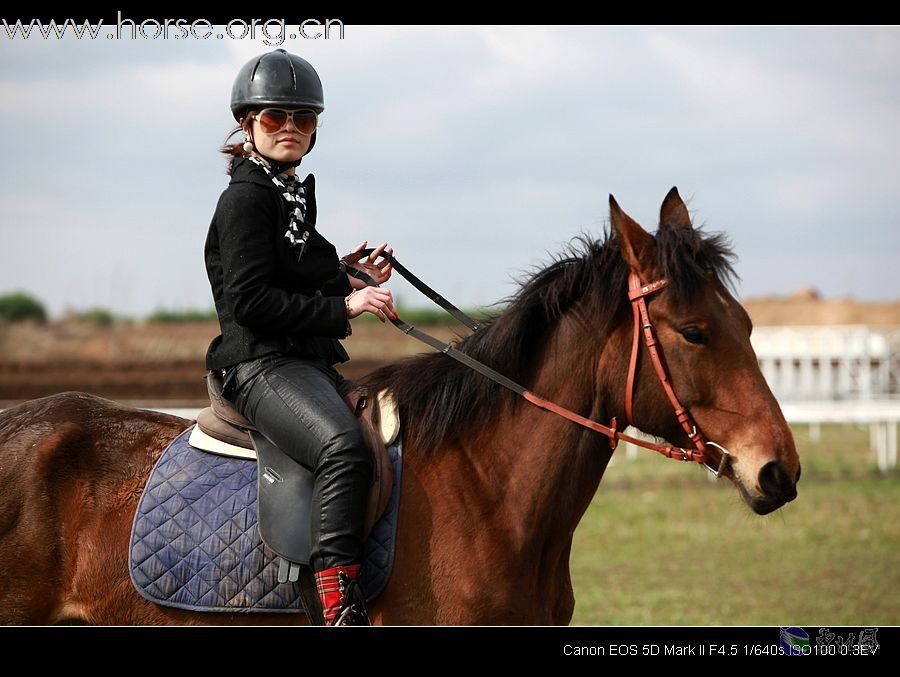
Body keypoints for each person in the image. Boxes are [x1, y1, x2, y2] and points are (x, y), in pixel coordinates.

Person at [203, 48, 398, 626]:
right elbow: (250, 301)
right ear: (247, 125)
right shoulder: (244, 199)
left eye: (303, 118)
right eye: (274, 117)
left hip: (297, 362)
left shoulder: (285, 191)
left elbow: (304, 269)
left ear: (314, 130)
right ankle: (338, 596)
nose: (289, 127)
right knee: (343, 445)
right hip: (257, 365)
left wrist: (352, 272)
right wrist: (347, 305)